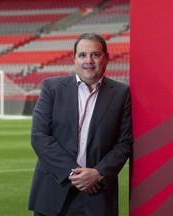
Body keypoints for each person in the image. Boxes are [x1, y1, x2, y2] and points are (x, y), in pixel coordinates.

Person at [28, 33, 133, 216]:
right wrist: (73, 174)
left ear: (106, 58)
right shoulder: (51, 88)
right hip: (54, 191)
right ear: (74, 59)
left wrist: (98, 173)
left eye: (95, 54)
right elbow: (39, 136)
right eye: (82, 55)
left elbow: (124, 143)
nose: (89, 61)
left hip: (97, 194)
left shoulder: (121, 93)